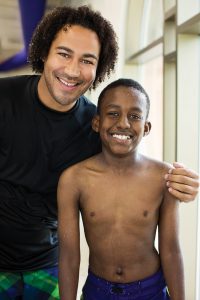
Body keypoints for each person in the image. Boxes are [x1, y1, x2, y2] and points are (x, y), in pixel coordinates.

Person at [0, 5, 198, 300]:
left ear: (99, 67)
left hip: (47, 265)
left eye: (87, 60)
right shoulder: (4, 99)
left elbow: (126, 168)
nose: (72, 69)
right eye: (64, 54)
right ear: (44, 52)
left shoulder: (99, 127)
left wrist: (182, 182)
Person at [58, 78, 185, 300]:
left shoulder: (163, 177)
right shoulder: (74, 179)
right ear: (97, 122)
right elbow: (69, 255)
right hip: (98, 290)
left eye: (134, 116)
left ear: (146, 128)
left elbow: (171, 250)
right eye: (113, 113)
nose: (123, 124)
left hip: (150, 290)